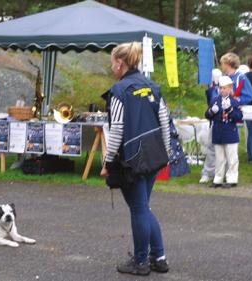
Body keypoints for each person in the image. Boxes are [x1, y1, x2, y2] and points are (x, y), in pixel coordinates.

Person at [100, 42, 171, 276]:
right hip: (154, 154)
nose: (112, 68)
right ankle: (158, 257)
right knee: (143, 207)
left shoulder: (119, 91)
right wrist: (166, 154)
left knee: (139, 209)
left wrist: (108, 162)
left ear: (120, 63)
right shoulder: (152, 86)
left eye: (113, 63)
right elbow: (164, 121)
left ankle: (141, 262)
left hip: (132, 158)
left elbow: (117, 129)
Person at [205, 76, 243, 188]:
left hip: (230, 133)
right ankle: (218, 179)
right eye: (221, 88)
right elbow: (207, 115)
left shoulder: (234, 102)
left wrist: (229, 111)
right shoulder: (214, 101)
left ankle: (232, 179)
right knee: (219, 158)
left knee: (232, 158)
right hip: (218, 133)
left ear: (231, 88)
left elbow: (239, 117)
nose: (222, 90)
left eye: (225, 88)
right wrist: (211, 111)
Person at [220, 52, 252, 163]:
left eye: (223, 63)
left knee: (251, 132)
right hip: (229, 111)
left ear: (228, 63)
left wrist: (236, 100)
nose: (221, 65)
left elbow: (250, 95)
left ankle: (251, 157)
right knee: (231, 132)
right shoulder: (224, 78)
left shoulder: (241, 77)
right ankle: (230, 157)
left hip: (244, 109)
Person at [199, 68, 222, 184]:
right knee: (211, 148)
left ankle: (220, 173)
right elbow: (210, 107)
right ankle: (207, 172)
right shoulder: (212, 90)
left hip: (224, 123)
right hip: (214, 122)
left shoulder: (224, 88)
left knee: (224, 151)